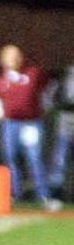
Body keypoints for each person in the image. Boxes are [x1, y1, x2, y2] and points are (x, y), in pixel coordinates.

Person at [0, 44, 55, 207]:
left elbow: (50, 88)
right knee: (10, 157)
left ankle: (43, 194)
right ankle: (14, 194)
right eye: (10, 56)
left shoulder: (33, 74)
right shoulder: (1, 79)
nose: (14, 59)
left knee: (34, 158)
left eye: (17, 55)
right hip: (10, 124)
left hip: (31, 123)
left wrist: (45, 107)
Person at [47, 66, 74, 202]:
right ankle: (55, 191)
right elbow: (51, 96)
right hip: (65, 121)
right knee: (60, 158)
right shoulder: (64, 75)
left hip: (66, 119)